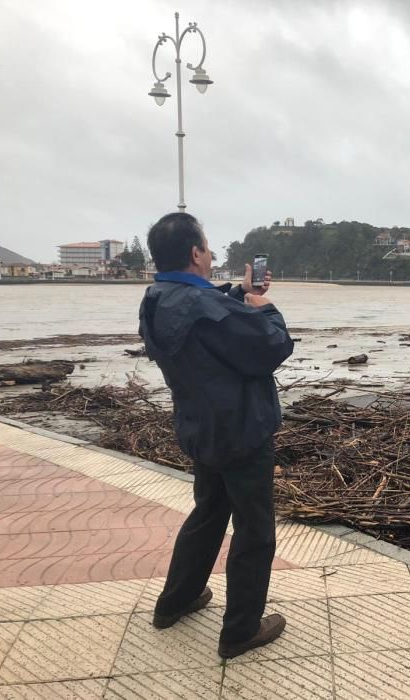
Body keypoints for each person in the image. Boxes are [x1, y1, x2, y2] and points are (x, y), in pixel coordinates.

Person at [138, 212, 294, 659]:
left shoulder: (155, 299)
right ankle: (240, 630)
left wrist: (240, 294)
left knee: (208, 513)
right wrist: (267, 308)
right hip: (242, 431)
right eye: (206, 248)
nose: (209, 256)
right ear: (195, 252)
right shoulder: (206, 307)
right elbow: (270, 348)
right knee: (254, 530)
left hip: (199, 427)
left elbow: (202, 315)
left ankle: (176, 601)